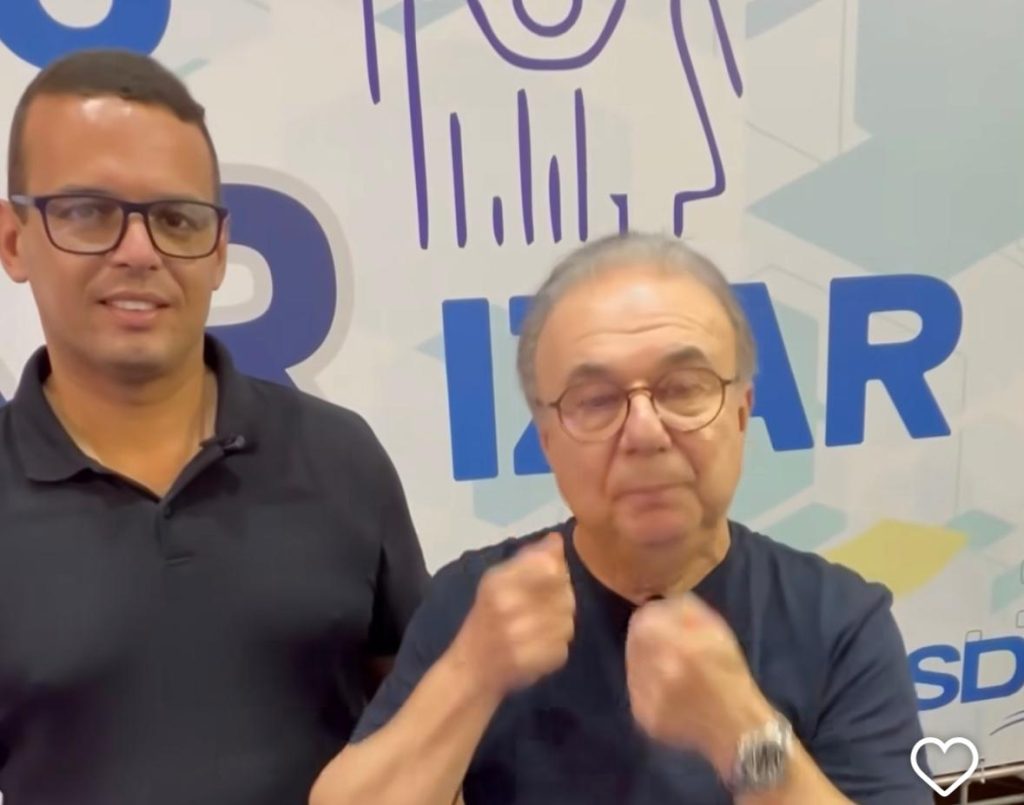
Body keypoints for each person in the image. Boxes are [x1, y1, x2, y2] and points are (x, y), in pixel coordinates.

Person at [309, 232, 932, 804]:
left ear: (741, 414)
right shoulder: (477, 605)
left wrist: (744, 735)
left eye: (683, 388)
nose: (644, 432)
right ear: (548, 441)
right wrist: (471, 675)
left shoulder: (838, 621)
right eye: (596, 400)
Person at [0, 49, 427, 805]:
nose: (140, 252)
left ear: (221, 249)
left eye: (176, 218)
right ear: (13, 241)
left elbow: (427, 731)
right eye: (89, 212)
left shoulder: (338, 459)